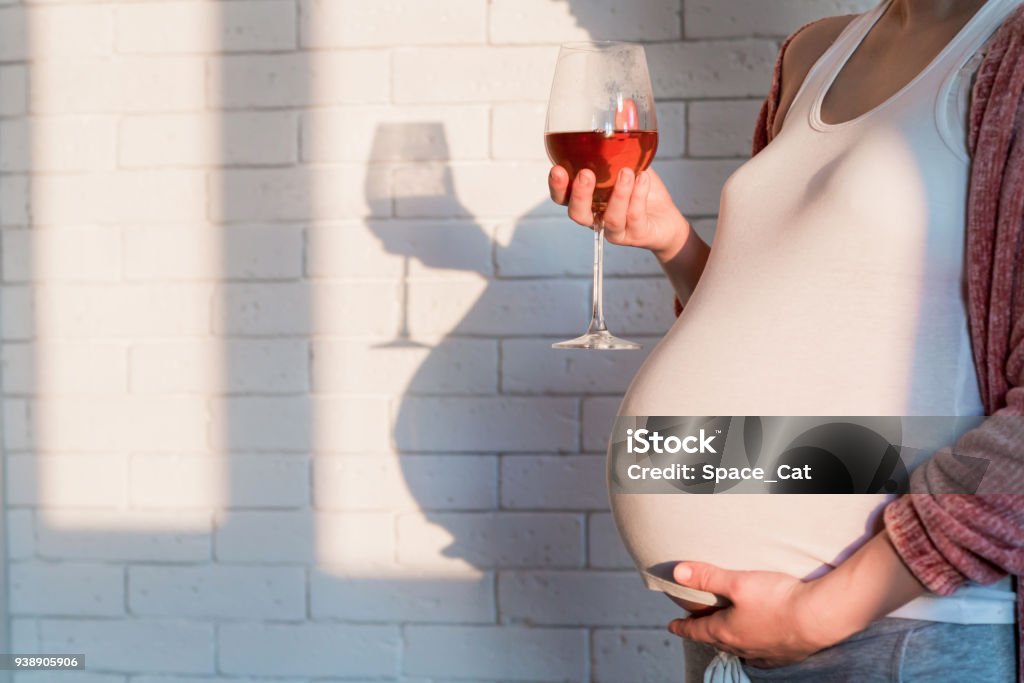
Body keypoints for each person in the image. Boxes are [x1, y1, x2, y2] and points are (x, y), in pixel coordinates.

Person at [548, 0, 1024, 681]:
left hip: (892, 635)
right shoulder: (815, 53)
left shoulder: (1010, 53)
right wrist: (675, 244)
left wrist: (820, 611)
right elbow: (800, 315)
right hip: (735, 635)